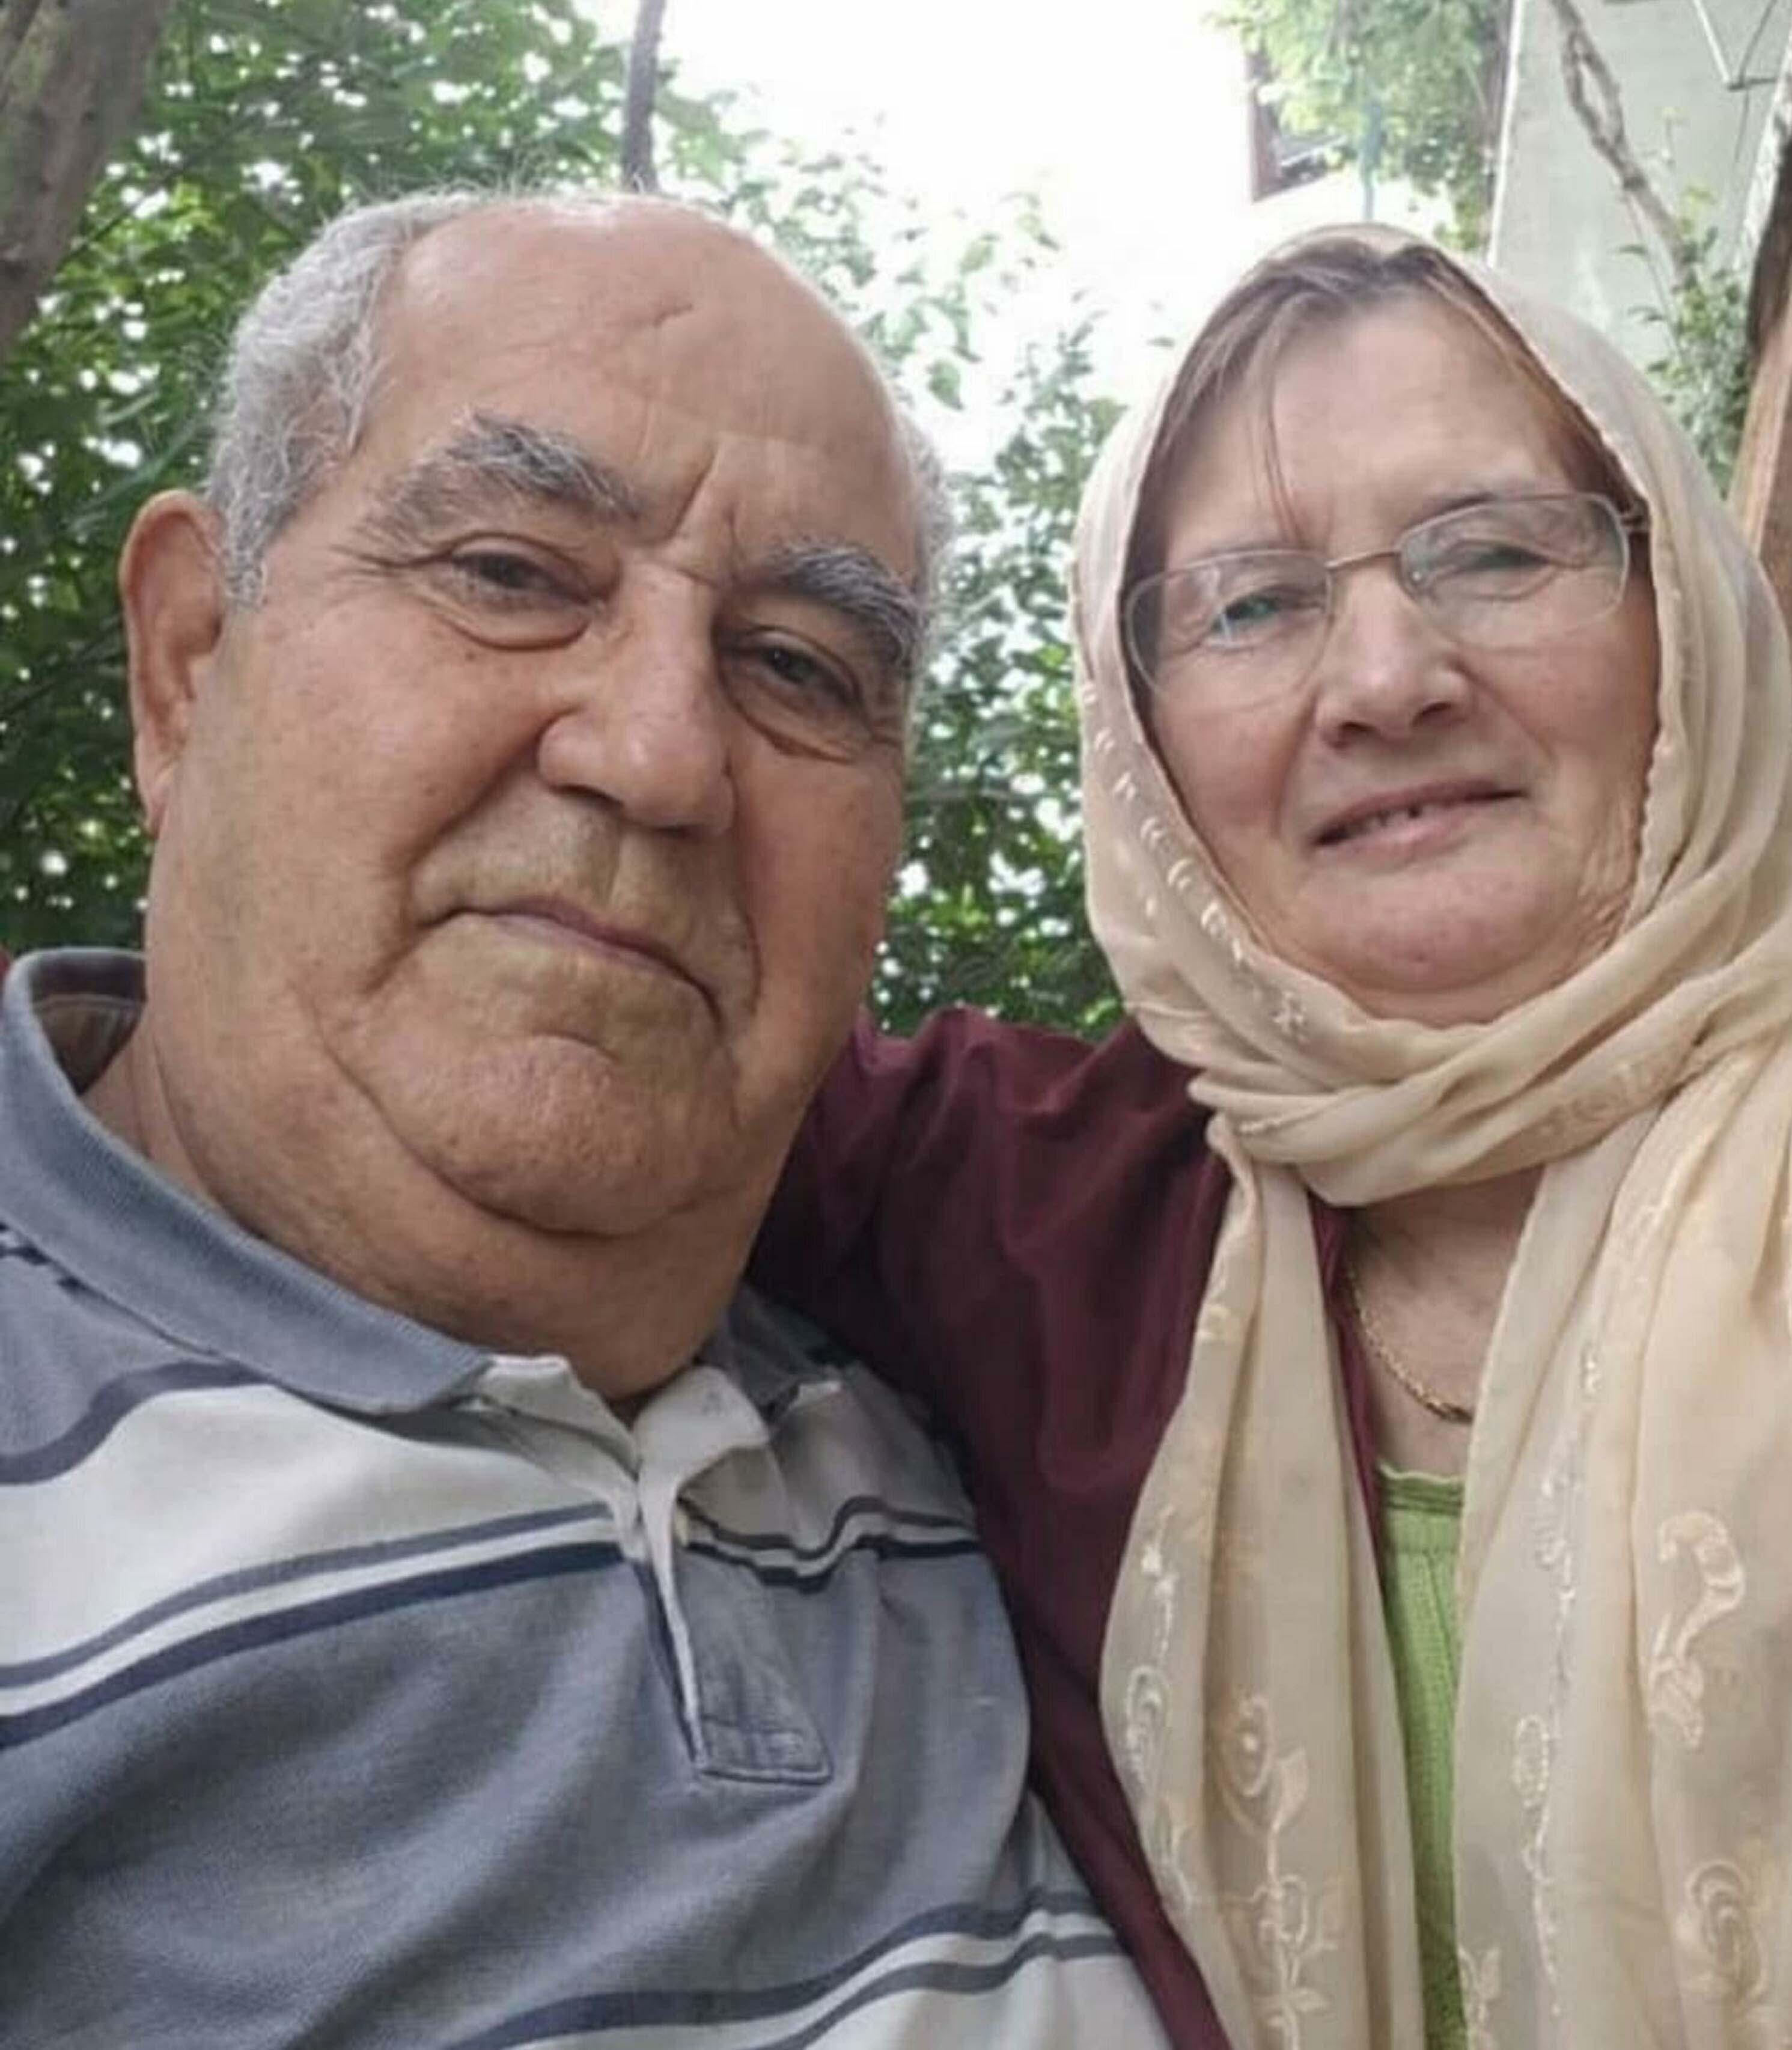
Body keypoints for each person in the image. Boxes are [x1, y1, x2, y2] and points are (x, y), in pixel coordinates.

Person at [0, 190, 1171, 2048]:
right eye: (510, 570)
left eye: (799, 668)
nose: (660, 754)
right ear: (192, 657)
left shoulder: (999, 1396)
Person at [754, 223, 1792, 2049]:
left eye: (1496, 549)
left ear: (1684, 617)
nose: (1388, 678)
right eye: (1250, 607)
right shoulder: (1030, 1207)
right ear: (1142, 741)